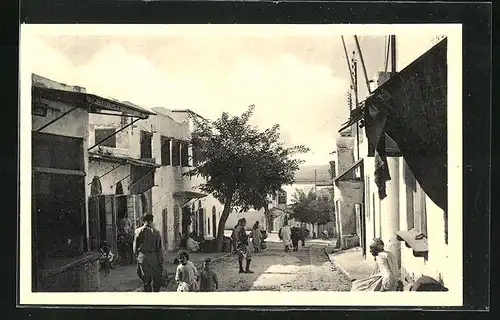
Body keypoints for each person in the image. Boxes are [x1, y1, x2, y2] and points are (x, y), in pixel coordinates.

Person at [133, 214, 164, 292]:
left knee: (146, 281)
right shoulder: (156, 232)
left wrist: (137, 256)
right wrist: (160, 261)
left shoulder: (138, 231)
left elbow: (135, 247)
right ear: (152, 221)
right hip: (154, 257)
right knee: (156, 280)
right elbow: (159, 248)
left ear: (143, 220)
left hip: (142, 257)